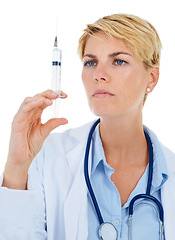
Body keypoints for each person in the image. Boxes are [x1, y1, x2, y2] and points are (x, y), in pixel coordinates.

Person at [0, 13, 175, 240]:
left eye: (119, 61)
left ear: (151, 78)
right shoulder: (48, 156)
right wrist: (17, 164)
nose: (99, 75)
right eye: (90, 62)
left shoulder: (168, 173)